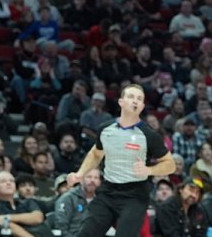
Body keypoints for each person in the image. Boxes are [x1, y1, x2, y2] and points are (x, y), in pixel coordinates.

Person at [66, 84, 176, 237]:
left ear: (143, 106)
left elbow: (170, 164)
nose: (135, 101)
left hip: (135, 196)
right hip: (107, 192)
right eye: (131, 97)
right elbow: (96, 153)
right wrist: (80, 174)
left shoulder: (149, 135)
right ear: (121, 102)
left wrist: (149, 170)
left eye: (139, 99)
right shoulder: (105, 128)